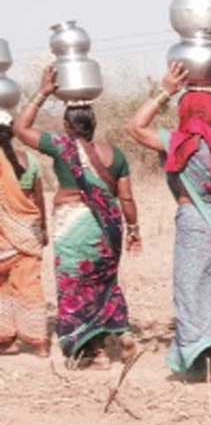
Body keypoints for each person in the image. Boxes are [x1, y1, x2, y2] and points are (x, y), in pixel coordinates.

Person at [127, 63, 211, 384]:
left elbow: (135, 127)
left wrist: (165, 91)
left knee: (191, 293)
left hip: (195, 226)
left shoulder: (179, 143)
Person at [14, 67, 141, 368]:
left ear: (68, 127)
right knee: (104, 282)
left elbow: (20, 128)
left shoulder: (61, 147)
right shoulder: (116, 155)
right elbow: (126, 198)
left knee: (75, 285)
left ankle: (93, 352)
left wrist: (44, 92)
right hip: (108, 228)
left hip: (72, 224)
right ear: (93, 124)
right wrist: (134, 228)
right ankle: (122, 336)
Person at [0, 111, 49, 357]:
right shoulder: (29, 159)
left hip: (3, 237)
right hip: (29, 232)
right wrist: (44, 229)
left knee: (2, 287)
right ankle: (39, 343)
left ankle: (6, 340)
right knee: (30, 286)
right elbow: (39, 198)